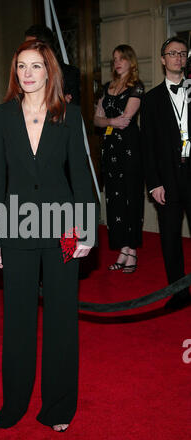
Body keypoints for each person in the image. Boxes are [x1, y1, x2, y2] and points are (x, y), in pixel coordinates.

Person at [0, 40, 96, 432]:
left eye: (35, 66)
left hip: (63, 227)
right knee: (17, 321)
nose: (27, 74)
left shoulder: (69, 115)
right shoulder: (0, 117)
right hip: (15, 228)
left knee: (62, 320)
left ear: (49, 72)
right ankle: (14, 402)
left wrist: (85, 232)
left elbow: (81, 178)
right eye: (21, 67)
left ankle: (59, 407)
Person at [140, 36, 191, 312]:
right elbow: (146, 146)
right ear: (163, 60)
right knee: (170, 239)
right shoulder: (151, 100)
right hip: (167, 180)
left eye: (182, 53)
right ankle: (180, 293)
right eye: (172, 53)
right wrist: (154, 183)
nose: (178, 58)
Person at [94, 44, 144, 273]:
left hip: (130, 148)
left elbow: (126, 119)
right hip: (110, 148)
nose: (117, 62)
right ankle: (123, 247)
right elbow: (97, 120)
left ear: (130, 61)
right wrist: (110, 122)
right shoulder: (108, 87)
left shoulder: (137, 87)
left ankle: (132, 250)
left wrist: (109, 120)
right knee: (114, 198)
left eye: (121, 58)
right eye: (114, 59)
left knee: (130, 196)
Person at [25, 24, 80, 105]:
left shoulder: (69, 73)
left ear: (45, 47)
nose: (26, 50)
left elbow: (73, 108)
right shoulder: (25, 73)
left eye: (30, 46)